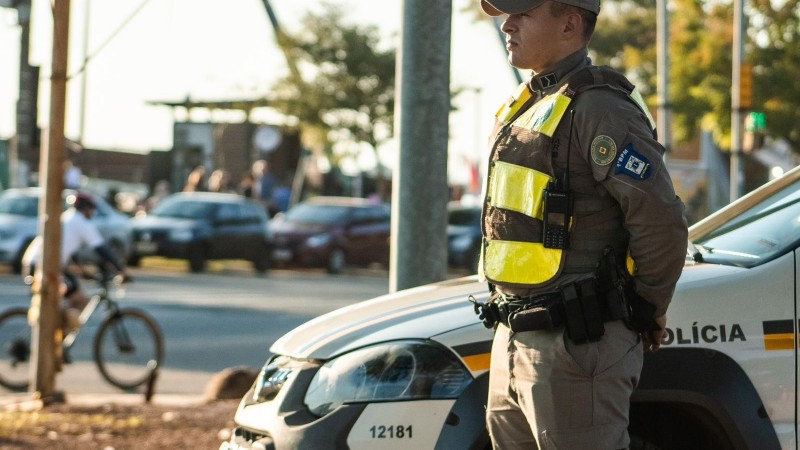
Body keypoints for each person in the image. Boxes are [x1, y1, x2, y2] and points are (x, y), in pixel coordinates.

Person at [473, 1, 688, 448]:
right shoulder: (526, 104)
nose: (506, 24)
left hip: (576, 344)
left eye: (523, 14)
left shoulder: (600, 108)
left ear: (570, 23)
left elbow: (661, 221)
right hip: (514, 338)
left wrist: (644, 308)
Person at [23, 192, 131, 332]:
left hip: (36, 262)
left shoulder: (68, 218)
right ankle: (57, 339)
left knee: (70, 295)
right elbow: (101, 249)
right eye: (92, 209)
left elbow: (68, 248)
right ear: (85, 209)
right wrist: (121, 269)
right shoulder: (81, 222)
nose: (93, 213)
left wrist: (81, 269)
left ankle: (59, 333)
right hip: (43, 266)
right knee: (79, 300)